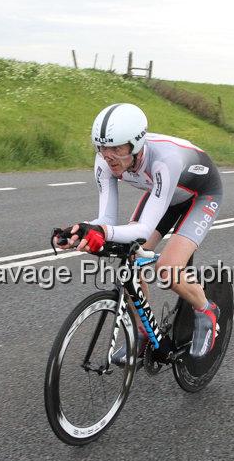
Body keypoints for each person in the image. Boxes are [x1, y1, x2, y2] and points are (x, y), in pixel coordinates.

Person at [53, 102, 223, 361]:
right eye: (102, 147)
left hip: (201, 195)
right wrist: (80, 232)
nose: (108, 156)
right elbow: (106, 219)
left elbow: (141, 230)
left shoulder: (164, 161)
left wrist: (101, 231)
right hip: (163, 195)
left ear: (136, 144)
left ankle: (206, 310)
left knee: (167, 268)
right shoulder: (104, 162)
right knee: (129, 260)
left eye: (117, 148)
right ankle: (144, 333)